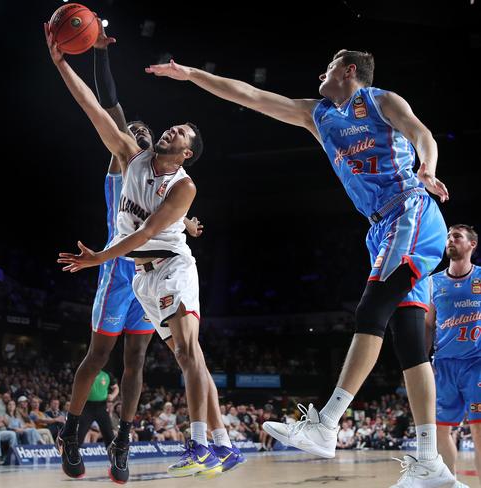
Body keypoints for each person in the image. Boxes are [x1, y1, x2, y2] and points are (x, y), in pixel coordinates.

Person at [146, 49, 453, 486]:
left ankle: (327, 424)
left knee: (370, 313)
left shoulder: (382, 101)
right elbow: (250, 94)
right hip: (380, 227)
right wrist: (190, 73)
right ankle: (429, 462)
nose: (320, 74)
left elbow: (422, 134)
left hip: (409, 210)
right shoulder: (318, 115)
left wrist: (427, 168)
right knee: (409, 340)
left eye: (328, 67)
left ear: (349, 72)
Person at [47, 23, 223, 480]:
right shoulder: (123, 160)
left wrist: (187, 221)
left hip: (148, 268)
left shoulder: (173, 182)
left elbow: (157, 220)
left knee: (138, 360)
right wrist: (83, 57)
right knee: (98, 356)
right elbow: (104, 106)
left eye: (148, 131)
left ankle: (123, 441)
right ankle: (70, 431)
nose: (146, 133)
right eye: (139, 131)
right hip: (115, 268)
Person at [427, 224, 480, 487]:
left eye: (457, 236)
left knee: (479, 430)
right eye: (448, 236)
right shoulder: (433, 281)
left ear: (472, 244)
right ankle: (451, 483)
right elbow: (427, 325)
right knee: (440, 429)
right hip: (444, 365)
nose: (450, 240)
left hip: (476, 364)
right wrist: (422, 363)